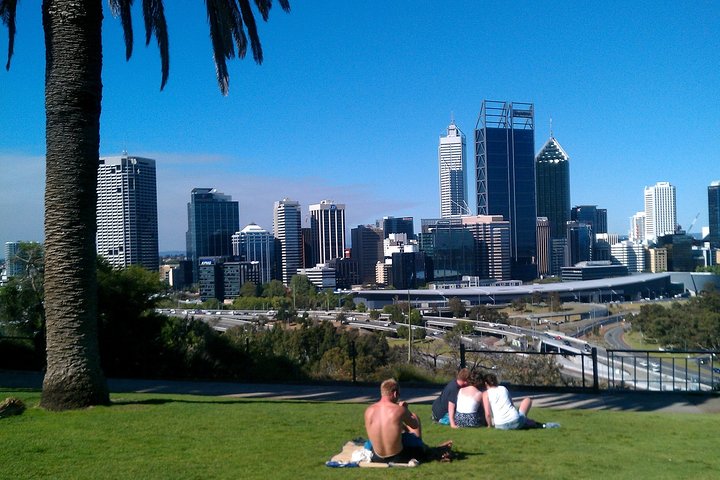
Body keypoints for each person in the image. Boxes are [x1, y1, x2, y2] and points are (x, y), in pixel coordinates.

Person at [364, 378, 452, 464]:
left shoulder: (369, 411)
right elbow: (415, 425)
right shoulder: (399, 410)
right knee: (414, 418)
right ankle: (431, 450)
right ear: (395, 393)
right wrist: (406, 410)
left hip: (377, 457)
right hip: (398, 457)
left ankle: (430, 449)